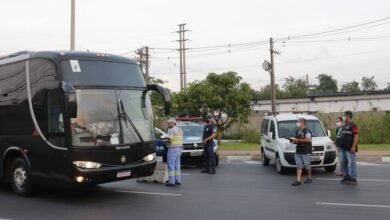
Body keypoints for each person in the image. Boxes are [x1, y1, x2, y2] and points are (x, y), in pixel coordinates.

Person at [291, 118, 313, 186]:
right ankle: (298, 180)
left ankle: (309, 178)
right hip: (298, 150)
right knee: (298, 165)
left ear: (302, 123)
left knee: (307, 165)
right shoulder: (298, 131)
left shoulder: (307, 131)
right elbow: (297, 140)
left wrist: (298, 140)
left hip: (306, 151)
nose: (297, 123)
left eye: (298, 122)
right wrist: (293, 141)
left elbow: (308, 140)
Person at [339, 110, 359, 185]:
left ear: (348, 116)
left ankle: (353, 178)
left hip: (349, 148)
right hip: (343, 148)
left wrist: (353, 147)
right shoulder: (345, 125)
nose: (343, 117)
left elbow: (356, 136)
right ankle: (346, 176)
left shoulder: (353, 125)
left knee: (351, 163)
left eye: (344, 115)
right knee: (343, 164)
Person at [165, 118, 183, 187]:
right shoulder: (180, 129)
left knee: (171, 165)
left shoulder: (171, 130)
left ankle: (171, 181)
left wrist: (165, 140)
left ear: (173, 123)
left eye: (169, 123)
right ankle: (178, 180)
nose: (168, 124)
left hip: (172, 149)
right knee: (177, 165)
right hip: (179, 149)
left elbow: (170, 140)